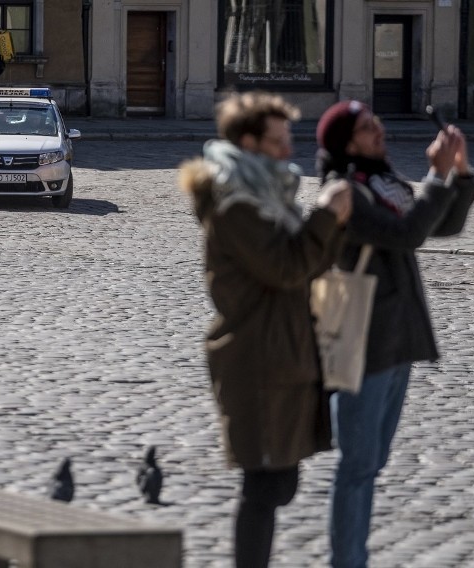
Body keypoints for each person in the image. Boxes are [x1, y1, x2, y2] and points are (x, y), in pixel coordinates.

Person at [178, 92, 352, 568]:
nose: (288, 149)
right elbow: (286, 266)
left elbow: (308, 263)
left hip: (285, 350)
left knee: (280, 481)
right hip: (255, 356)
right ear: (249, 142)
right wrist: (326, 215)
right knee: (265, 482)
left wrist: (329, 227)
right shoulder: (236, 205)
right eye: (278, 141)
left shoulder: (269, 195)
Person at [314, 100, 474, 568]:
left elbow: (439, 224)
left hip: (396, 340)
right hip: (361, 341)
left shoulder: (383, 184)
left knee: (371, 463)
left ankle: (353, 556)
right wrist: (435, 173)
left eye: (376, 123)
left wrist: (460, 173)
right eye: (368, 129)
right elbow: (407, 234)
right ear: (346, 144)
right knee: (357, 466)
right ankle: (347, 561)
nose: (379, 131)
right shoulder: (344, 192)